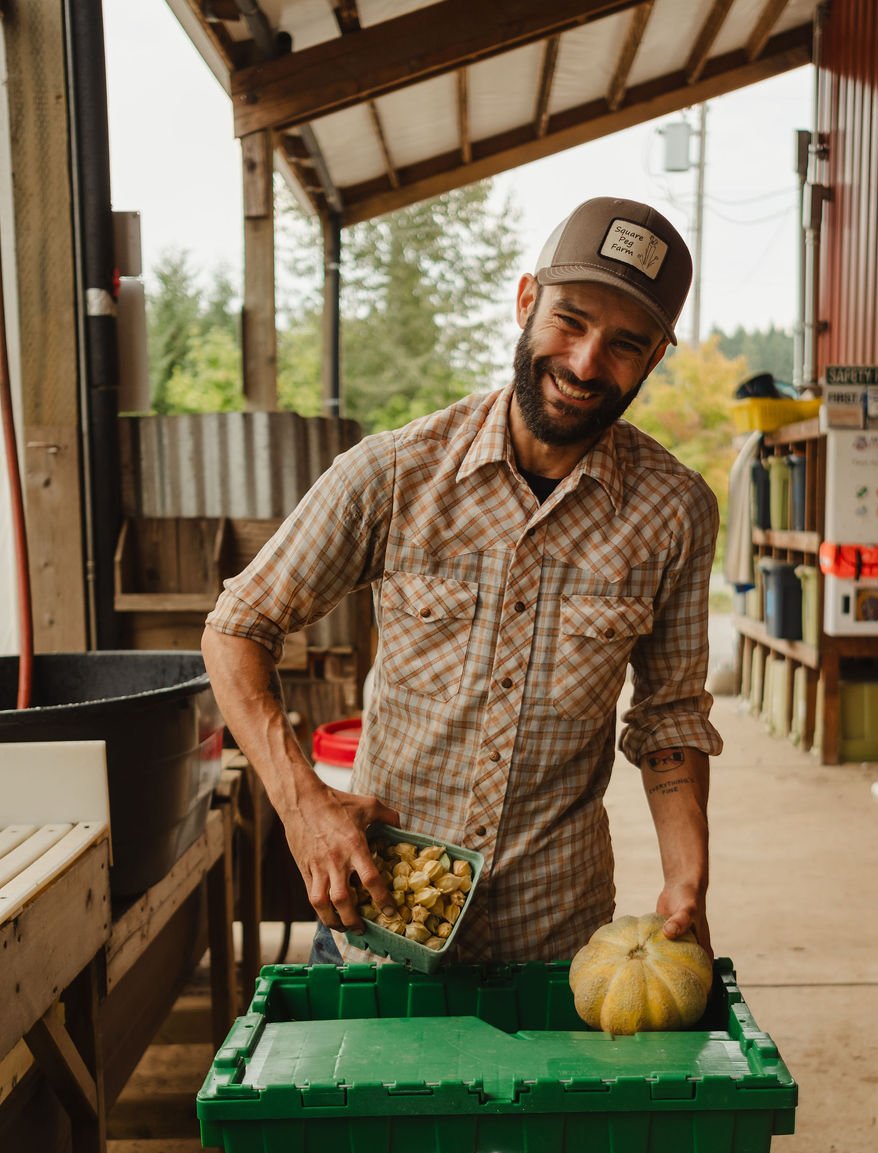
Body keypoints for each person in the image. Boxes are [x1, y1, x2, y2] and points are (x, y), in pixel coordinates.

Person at [202, 196, 722, 970]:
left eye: (624, 344)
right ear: (525, 302)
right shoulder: (395, 473)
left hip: (556, 938)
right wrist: (302, 801)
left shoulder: (674, 512)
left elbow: (670, 718)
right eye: (570, 321)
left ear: (653, 358)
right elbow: (237, 625)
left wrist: (688, 882)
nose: (585, 363)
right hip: (379, 920)